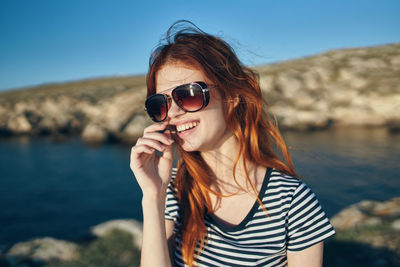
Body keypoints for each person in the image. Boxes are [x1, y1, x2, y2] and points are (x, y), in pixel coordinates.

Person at [130, 20, 335, 267]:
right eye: (160, 104)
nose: (172, 113)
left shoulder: (292, 201)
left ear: (233, 97)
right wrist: (153, 196)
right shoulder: (174, 188)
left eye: (188, 94)